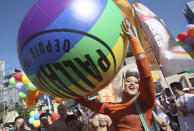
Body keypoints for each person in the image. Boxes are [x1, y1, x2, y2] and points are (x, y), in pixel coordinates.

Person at [75, 19, 156, 131]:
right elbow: (81, 101)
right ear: (122, 83)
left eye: (136, 82)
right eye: (129, 81)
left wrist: (133, 40)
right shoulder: (111, 107)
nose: (132, 83)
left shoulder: (146, 101)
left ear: (140, 87)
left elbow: (146, 75)